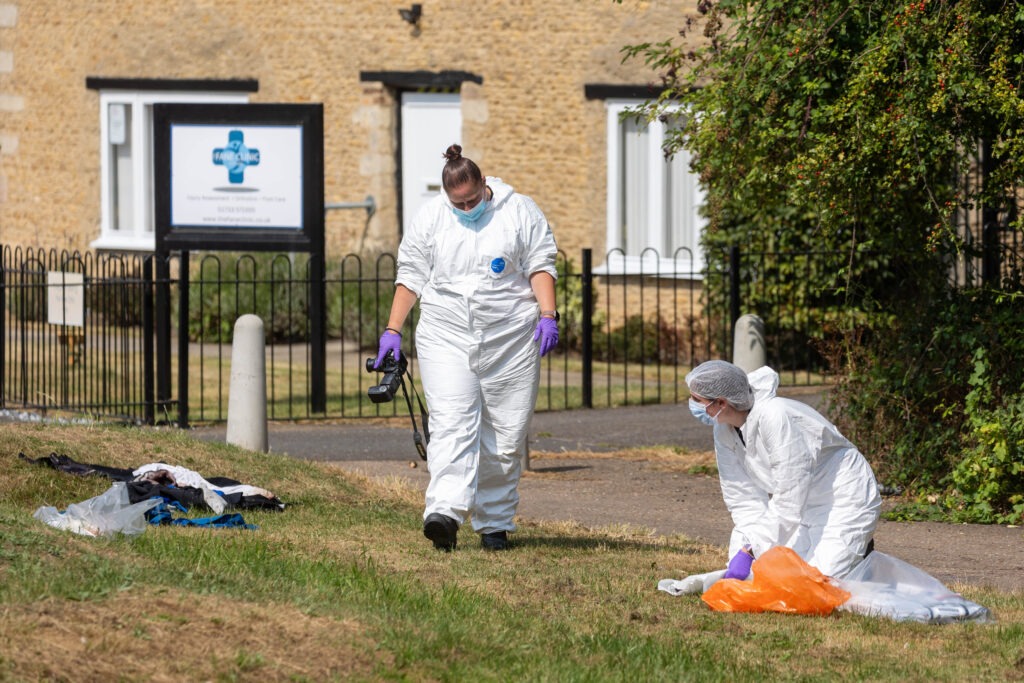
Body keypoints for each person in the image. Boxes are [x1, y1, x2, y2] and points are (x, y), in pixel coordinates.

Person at [374, 144, 559, 552]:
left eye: (472, 199)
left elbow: (541, 263)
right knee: (451, 422)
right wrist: (393, 330)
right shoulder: (432, 217)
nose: (466, 207)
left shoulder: (520, 211)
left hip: (510, 338)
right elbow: (411, 274)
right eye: (458, 202)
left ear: (483, 183)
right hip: (447, 334)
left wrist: (548, 314)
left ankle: (493, 523)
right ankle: (444, 514)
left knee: (506, 434)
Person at [685, 360, 881, 579]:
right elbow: (742, 496)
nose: (691, 404)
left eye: (696, 400)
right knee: (771, 579)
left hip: (844, 499)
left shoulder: (776, 416)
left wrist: (751, 550)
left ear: (721, 402)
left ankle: (859, 553)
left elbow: (789, 497)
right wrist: (746, 548)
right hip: (803, 508)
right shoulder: (723, 430)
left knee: (818, 586)